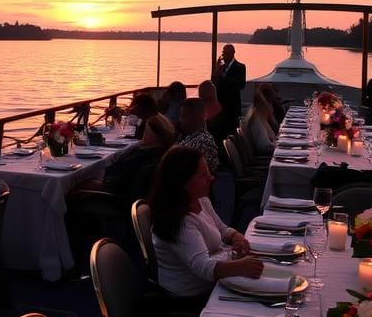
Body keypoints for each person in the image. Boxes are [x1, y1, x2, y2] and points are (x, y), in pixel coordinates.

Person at [149, 147, 262, 304]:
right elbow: (203, 268)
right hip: (191, 297)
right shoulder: (179, 220)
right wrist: (240, 266)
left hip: (211, 282)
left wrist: (236, 236)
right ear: (183, 183)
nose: (212, 177)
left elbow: (222, 229)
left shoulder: (200, 200)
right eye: (203, 175)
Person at [101, 114, 176, 205]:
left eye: (145, 132)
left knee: (82, 181)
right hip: (126, 194)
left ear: (153, 136)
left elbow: (118, 183)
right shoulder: (164, 154)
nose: (143, 135)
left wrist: (100, 183)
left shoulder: (144, 157)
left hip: (118, 200)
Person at [176, 97, 219, 174]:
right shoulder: (189, 137)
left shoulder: (203, 142)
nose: (180, 120)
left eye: (184, 116)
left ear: (198, 118)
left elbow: (188, 174)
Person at [212, 44, 246, 136]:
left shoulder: (240, 67)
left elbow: (241, 84)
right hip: (220, 105)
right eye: (223, 53)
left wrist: (224, 76)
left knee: (231, 132)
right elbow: (214, 83)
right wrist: (216, 71)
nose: (224, 55)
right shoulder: (221, 68)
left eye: (226, 53)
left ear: (233, 53)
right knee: (220, 132)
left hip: (232, 106)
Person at [245, 90, 276, 157]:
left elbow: (273, 137)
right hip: (266, 157)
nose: (271, 106)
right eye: (269, 103)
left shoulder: (260, 117)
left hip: (268, 153)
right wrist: (279, 145)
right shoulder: (257, 122)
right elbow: (264, 147)